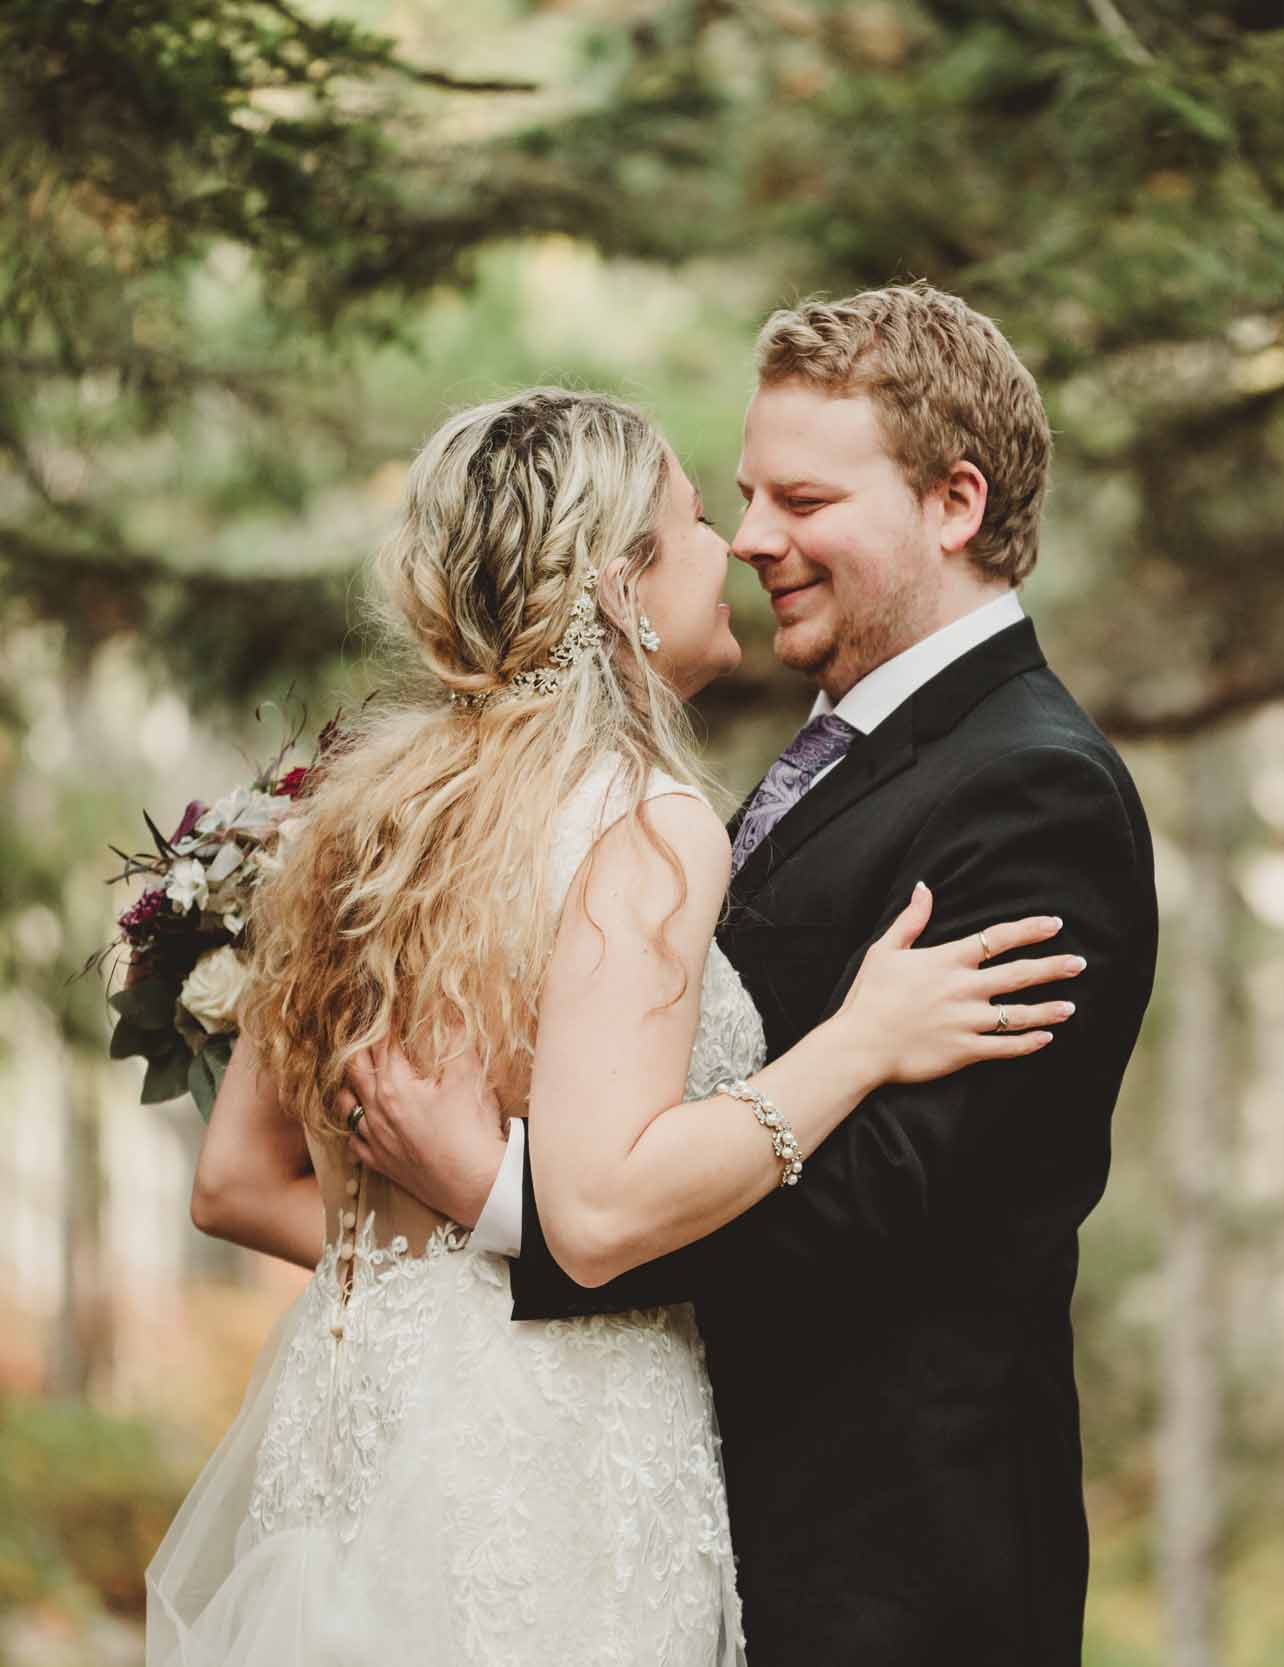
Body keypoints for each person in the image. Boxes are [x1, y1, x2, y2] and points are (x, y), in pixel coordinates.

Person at [152, 384, 1083, 1665]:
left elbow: (232, 1179)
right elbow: (595, 1214)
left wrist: (454, 1248)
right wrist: (857, 1042)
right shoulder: (643, 822)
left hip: (367, 1432)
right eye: (702, 519)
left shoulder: (352, 822)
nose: (740, 549)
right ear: (616, 587)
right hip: (561, 1454)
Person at [345, 285, 1161, 1667]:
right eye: (745, 497)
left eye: (804, 499)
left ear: (954, 504)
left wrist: (508, 1200)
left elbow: (882, 1201)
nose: (756, 540)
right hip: (702, 1548)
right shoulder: (820, 755)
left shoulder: (1038, 793)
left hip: (892, 1578)